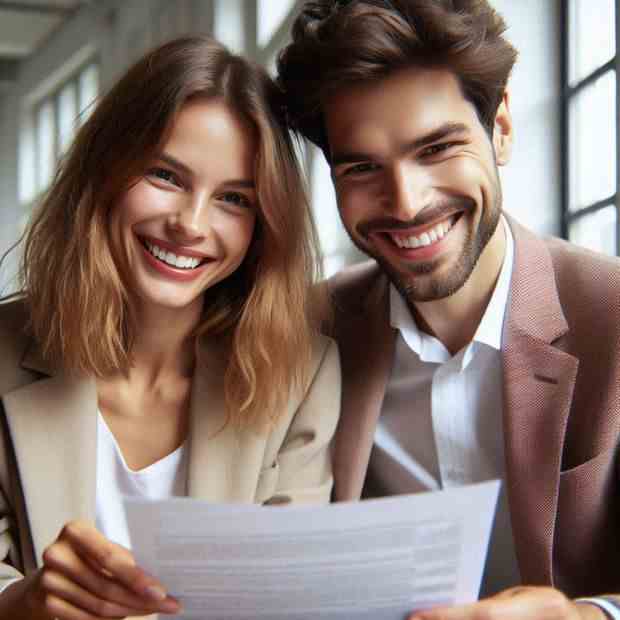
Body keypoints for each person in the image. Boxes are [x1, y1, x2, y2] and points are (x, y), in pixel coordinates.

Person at [277, 1, 620, 619]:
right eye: (361, 167)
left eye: (437, 148)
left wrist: (587, 615)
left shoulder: (614, 316)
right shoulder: (304, 332)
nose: (405, 203)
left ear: (502, 128)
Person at [0, 35, 340, 619]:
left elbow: (291, 597)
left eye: (235, 199)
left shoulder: (304, 374)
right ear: (105, 170)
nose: (191, 224)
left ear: (263, 228)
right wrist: (19, 602)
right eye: (166, 175)